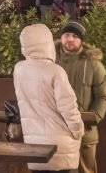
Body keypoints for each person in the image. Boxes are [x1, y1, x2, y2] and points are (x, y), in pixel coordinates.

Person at [14, 23, 84, 172]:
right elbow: (68, 108)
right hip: (60, 147)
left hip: (34, 146)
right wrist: (78, 131)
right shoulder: (55, 71)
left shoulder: (19, 69)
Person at [56, 21, 106, 173]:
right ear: (61, 37)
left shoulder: (93, 64)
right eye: (66, 35)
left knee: (86, 170)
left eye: (75, 36)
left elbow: (103, 97)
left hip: (84, 132)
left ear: (81, 40)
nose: (70, 39)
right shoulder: (50, 61)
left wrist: (91, 119)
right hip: (56, 130)